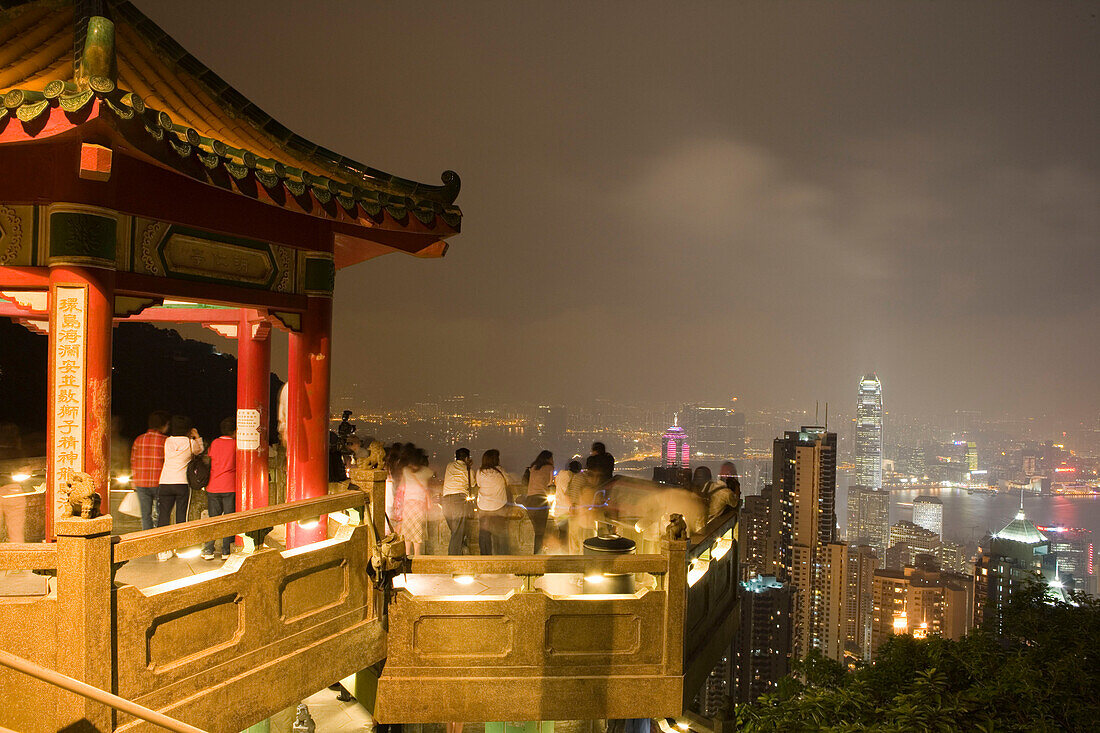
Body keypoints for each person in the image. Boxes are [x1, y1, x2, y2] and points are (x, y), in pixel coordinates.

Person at [156, 415, 203, 561]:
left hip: (165, 482)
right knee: (181, 516)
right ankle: (178, 547)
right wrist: (196, 436)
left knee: (163, 516)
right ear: (188, 429)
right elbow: (200, 450)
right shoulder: (190, 443)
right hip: (181, 484)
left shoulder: (167, 441)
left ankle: (162, 550)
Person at [203, 418, 236, 561]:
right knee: (228, 519)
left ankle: (209, 550)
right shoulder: (236, 444)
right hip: (230, 485)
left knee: (213, 519)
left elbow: (209, 459)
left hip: (213, 486)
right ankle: (226, 550)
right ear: (235, 431)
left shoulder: (215, 443)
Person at [130, 410, 169, 532]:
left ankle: (148, 545)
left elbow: (133, 460)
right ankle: (160, 543)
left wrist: (133, 479)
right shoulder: (165, 440)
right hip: (160, 483)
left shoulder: (139, 440)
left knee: (145, 516)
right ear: (163, 425)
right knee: (160, 516)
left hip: (141, 483)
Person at [476, 449, 511, 555]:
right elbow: (508, 482)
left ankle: (485, 559)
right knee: (500, 536)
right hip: (499, 506)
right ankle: (501, 559)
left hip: (484, 506)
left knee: (484, 535)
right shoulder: (501, 471)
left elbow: (478, 484)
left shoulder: (480, 472)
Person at [441, 448, 476, 555]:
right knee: (457, 532)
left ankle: (461, 553)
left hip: (446, 501)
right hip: (459, 501)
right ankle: (454, 560)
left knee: (455, 531)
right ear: (467, 458)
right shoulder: (468, 469)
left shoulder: (449, 466)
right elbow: (473, 484)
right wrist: (469, 466)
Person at [401, 447, 433, 555]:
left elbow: (402, 486)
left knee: (407, 531)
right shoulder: (426, 471)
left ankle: (406, 555)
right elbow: (431, 482)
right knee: (417, 531)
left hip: (407, 504)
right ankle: (417, 555)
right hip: (419, 505)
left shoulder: (406, 470)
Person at [521, 450, 554, 553]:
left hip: (530, 500)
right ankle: (537, 555)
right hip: (540, 500)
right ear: (548, 459)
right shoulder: (549, 468)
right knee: (540, 531)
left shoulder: (534, 467)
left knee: (537, 530)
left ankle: (537, 552)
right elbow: (550, 483)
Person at [552, 459, 583, 550]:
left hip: (558, 510)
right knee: (568, 536)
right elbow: (568, 493)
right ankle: (566, 556)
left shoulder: (560, 475)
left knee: (562, 534)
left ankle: (562, 554)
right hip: (566, 510)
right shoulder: (571, 477)